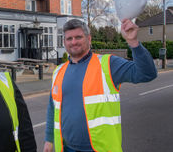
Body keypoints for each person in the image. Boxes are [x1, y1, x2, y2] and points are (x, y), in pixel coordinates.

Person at [43, 18, 157, 152]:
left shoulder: (108, 64)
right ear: (64, 42)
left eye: (78, 37)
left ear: (89, 38)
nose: (73, 42)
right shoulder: (59, 71)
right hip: (66, 148)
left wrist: (133, 42)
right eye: (69, 38)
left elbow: (147, 73)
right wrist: (49, 140)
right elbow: (53, 109)